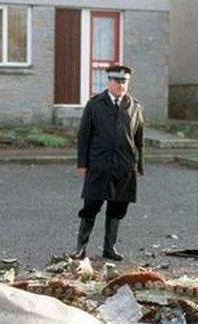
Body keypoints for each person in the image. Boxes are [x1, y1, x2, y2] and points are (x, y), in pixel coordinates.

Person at [71, 65, 145, 261]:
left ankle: (109, 248)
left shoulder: (135, 106)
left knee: (117, 208)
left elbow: (139, 139)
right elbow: (84, 136)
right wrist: (82, 164)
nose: (121, 85)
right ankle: (81, 248)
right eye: (117, 81)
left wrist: (139, 165)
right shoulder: (95, 104)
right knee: (90, 207)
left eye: (124, 81)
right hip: (99, 166)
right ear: (109, 82)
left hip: (124, 167)